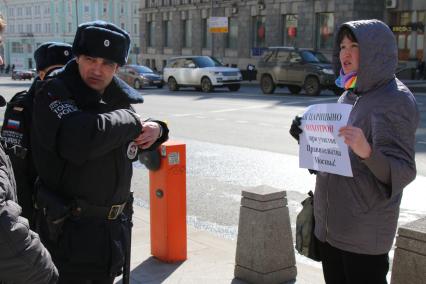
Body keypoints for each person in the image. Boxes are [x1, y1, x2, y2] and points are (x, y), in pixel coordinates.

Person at [31, 20, 169, 283]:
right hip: (68, 234)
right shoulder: (53, 90)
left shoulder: (116, 97)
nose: (97, 69)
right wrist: (132, 123)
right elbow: (82, 139)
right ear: (77, 57)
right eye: (90, 59)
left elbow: (128, 137)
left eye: (107, 63)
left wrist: (158, 130)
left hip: (112, 233)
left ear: (117, 67)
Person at [290, 19, 419, 284]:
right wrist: (307, 140)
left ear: (375, 50)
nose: (345, 53)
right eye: (342, 46)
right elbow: (335, 160)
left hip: (363, 237)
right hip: (331, 229)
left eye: (354, 46)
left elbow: (403, 171)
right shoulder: (348, 94)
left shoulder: (396, 100)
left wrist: (367, 152)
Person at [0, 16, 59, 284]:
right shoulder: (23, 106)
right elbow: (16, 161)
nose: (1, 61)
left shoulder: (86, 109)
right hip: (32, 219)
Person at [1, 42, 73, 227]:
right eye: (56, 72)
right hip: (40, 210)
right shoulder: (23, 107)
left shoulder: (79, 104)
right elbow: (16, 169)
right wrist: (28, 219)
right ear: (41, 74)